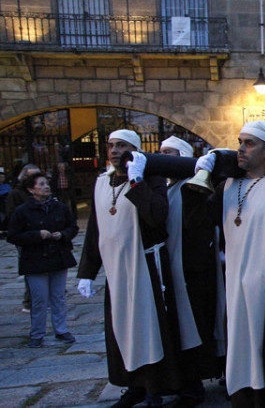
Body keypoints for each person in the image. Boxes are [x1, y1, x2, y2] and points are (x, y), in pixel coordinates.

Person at [192, 121, 265, 407]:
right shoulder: (227, 187)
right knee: (243, 354)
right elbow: (198, 224)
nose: (241, 149)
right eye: (240, 142)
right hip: (238, 290)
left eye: (249, 143)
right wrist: (202, 176)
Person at [77, 130, 182, 408]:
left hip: (145, 267)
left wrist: (137, 181)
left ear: (134, 151)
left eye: (121, 146)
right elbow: (95, 229)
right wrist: (87, 271)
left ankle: (153, 388)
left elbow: (157, 216)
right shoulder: (101, 183)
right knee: (119, 330)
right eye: (110, 145)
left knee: (148, 329)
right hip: (116, 270)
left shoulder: (150, 179)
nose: (114, 151)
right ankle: (132, 384)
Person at [158, 136, 220, 407]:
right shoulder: (168, 190)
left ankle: (194, 386)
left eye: (170, 153)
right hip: (173, 270)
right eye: (161, 153)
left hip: (192, 274)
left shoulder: (191, 188)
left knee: (193, 327)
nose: (164, 157)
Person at [7, 171, 78, 348]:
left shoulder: (59, 207)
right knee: (39, 299)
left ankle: (61, 330)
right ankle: (37, 333)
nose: (46, 187)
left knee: (58, 296)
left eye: (47, 184)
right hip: (35, 259)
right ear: (31, 189)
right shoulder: (22, 211)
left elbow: (73, 227)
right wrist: (36, 235)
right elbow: (13, 235)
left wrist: (62, 234)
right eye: (41, 184)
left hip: (58, 256)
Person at [8, 164, 41, 313]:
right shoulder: (16, 194)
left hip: (42, 236)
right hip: (26, 237)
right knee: (31, 269)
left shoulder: (41, 193)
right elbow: (12, 217)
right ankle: (29, 300)